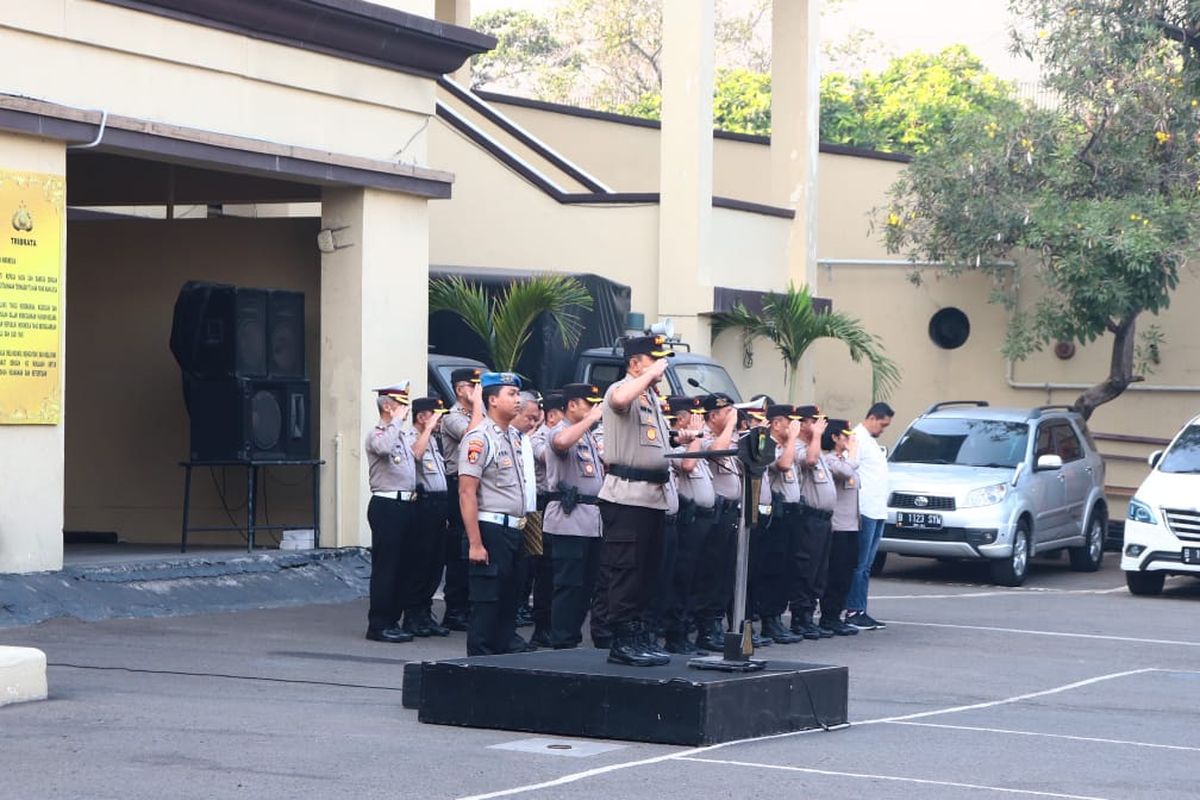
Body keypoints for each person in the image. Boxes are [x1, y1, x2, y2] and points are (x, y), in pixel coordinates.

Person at [596, 334, 675, 667]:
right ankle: (622, 639)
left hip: (652, 498)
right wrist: (650, 375)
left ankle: (640, 633)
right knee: (626, 570)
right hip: (627, 496)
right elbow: (619, 400)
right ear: (634, 363)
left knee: (647, 573)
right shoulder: (622, 389)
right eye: (652, 359)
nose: (660, 365)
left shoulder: (651, 398)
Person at [458, 372, 529, 656]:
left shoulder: (514, 436)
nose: (518, 400)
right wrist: (475, 543)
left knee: (509, 603)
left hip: (515, 530)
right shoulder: (479, 438)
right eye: (511, 394)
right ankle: (478, 671)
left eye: (518, 394)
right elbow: (467, 492)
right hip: (491, 530)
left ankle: (501, 668)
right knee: (487, 604)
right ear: (492, 399)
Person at [542, 383, 605, 649]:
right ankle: (562, 642)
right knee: (568, 586)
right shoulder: (560, 429)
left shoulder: (588, 435)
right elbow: (560, 443)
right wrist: (592, 418)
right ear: (572, 405)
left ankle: (573, 638)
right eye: (587, 404)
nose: (593, 409)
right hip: (568, 520)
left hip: (591, 520)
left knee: (586, 587)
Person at [363, 382, 418, 643]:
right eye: (401, 405)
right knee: (387, 567)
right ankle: (379, 623)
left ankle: (393, 619)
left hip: (405, 504)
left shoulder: (402, 435)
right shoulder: (378, 433)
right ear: (388, 406)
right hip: (386, 505)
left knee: (403, 566)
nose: (405, 410)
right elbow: (384, 449)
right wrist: (395, 421)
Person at [658, 395, 710, 654]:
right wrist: (697, 434)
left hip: (700, 519)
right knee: (678, 580)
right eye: (695, 416)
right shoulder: (677, 447)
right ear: (680, 420)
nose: (701, 422)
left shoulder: (692, 443)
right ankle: (674, 635)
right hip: (683, 520)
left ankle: (683, 633)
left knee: (694, 579)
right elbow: (688, 464)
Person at [750, 404, 804, 645]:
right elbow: (782, 466)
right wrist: (793, 438)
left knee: (785, 569)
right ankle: (769, 619)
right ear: (775, 424)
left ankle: (776, 618)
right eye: (787, 422)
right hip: (775, 516)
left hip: (792, 513)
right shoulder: (766, 444)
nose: (792, 426)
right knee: (771, 569)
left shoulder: (785, 446)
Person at [694, 392, 741, 652]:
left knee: (724, 574)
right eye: (727, 412)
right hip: (715, 515)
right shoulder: (707, 438)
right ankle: (705, 628)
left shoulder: (729, 437)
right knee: (710, 572)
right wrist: (732, 425)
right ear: (713, 416)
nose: (732, 416)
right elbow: (717, 452)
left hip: (731, 513)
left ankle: (715, 623)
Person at [402, 396, 451, 638]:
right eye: (436, 415)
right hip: (423, 505)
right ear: (422, 417)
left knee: (434, 564)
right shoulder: (413, 437)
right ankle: (412, 616)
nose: (440, 421)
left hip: (440, 506)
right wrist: (429, 428)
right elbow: (415, 456)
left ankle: (425, 612)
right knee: (420, 563)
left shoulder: (434, 440)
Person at [438, 367, 483, 631]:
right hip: (458, 485)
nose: (478, 390)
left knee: (472, 547)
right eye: (473, 386)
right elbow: (474, 435)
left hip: (478, 486)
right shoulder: (452, 417)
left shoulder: (479, 414)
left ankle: (469, 604)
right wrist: (479, 405)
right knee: (458, 548)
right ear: (460, 389)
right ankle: (455, 609)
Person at [788, 406, 836, 641]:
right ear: (803, 424)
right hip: (808, 517)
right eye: (814, 422)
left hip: (824, 520)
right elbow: (810, 460)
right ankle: (800, 618)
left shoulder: (813, 446)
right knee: (806, 568)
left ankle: (809, 614)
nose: (819, 426)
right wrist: (816, 435)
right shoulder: (799, 446)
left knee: (819, 571)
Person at [847, 402, 895, 631]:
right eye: (883, 424)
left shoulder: (871, 442)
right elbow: (851, 469)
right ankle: (854, 610)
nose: (883, 429)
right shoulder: (857, 438)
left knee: (867, 564)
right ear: (874, 418)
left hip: (876, 510)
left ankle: (860, 608)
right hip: (864, 509)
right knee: (860, 564)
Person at [819, 418, 861, 637]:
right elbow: (845, 472)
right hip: (838, 527)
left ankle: (836, 615)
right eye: (845, 436)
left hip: (851, 525)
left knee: (846, 572)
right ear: (834, 438)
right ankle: (828, 616)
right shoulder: (830, 460)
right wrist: (853, 454)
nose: (849, 440)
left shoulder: (844, 460)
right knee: (835, 573)